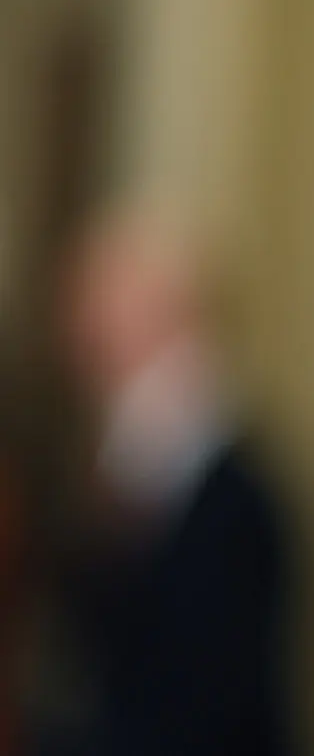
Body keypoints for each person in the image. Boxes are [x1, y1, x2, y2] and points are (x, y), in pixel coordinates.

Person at [46, 210, 292, 756]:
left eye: (100, 304)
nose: (78, 327)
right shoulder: (121, 461)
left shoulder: (232, 503)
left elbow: (198, 708)